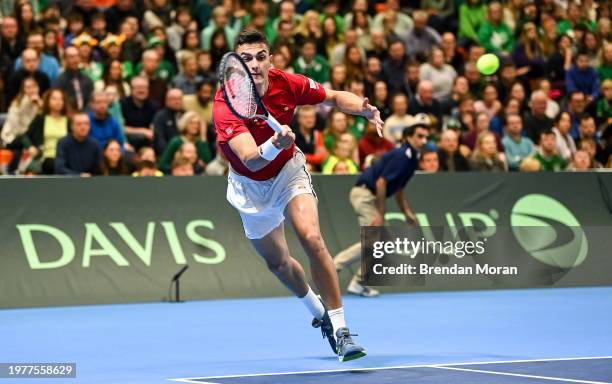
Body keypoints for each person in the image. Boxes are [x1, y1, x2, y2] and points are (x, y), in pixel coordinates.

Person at [212, 29, 384, 361]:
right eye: (246, 58)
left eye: (261, 56)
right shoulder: (226, 103)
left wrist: (362, 109)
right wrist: (273, 144)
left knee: (311, 237)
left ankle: (341, 329)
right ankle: (318, 312)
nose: (255, 64)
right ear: (236, 66)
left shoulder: (286, 83)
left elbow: (333, 96)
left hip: (288, 173)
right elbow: (248, 156)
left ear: (270, 58)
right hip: (249, 186)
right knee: (278, 263)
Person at [334, 122, 428, 297]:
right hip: (364, 194)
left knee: (382, 241)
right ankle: (335, 266)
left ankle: (359, 282)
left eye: (425, 137)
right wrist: (380, 213)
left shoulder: (412, 159)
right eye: (419, 136)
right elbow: (381, 182)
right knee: (374, 240)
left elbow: (398, 188)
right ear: (408, 137)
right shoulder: (402, 155)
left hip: (369, 196)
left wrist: (407, 212)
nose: (424, 140)